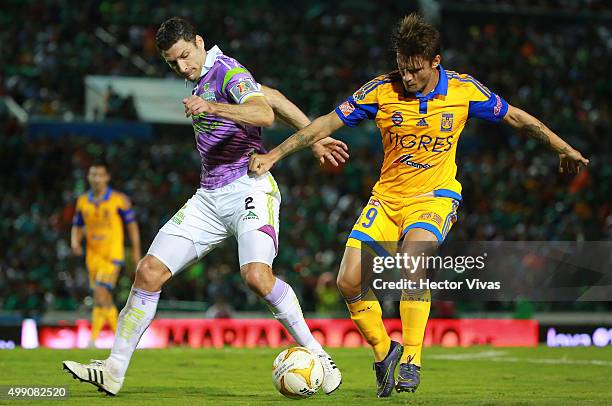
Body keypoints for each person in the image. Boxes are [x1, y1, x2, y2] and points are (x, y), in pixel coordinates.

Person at [249, 13, 589, 398]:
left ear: (434, 62)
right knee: (347, 280)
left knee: (413, 261)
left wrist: (562, 147)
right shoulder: (380, 90)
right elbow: (326, 123)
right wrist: (275, 154)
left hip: (434, 197)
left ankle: (412, 358)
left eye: (414, 70)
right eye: (401, 69)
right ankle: (385, 351)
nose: (406, 77)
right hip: (387, 198)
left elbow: (515, 117)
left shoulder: (463, 91)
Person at [62, 17, 346, 396]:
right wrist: (313, 138)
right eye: (172, 63)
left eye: (184, 56)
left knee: (257, 277)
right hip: (209, 197)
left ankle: (318, 355)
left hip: (249, 186)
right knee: (148, 271)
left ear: (198, 42)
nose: (182, 67)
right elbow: (272, 96)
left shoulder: (226, 70)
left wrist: (211, 108)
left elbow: (262, 113)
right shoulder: (205, 76)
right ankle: (113, 370)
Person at [71, 161, 142, 347]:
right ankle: (126, 339)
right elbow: (77, 225)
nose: (96, 179)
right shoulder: (83, 201)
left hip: (113, 255)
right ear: (88, 177)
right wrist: (75, 241)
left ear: (106, 177)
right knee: (103, 297)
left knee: (100, 293)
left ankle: (94, 339)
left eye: (99, 175)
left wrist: (136, 251)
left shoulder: (118, 199)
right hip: (92, 256)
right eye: (92, 175)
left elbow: (132, 226)